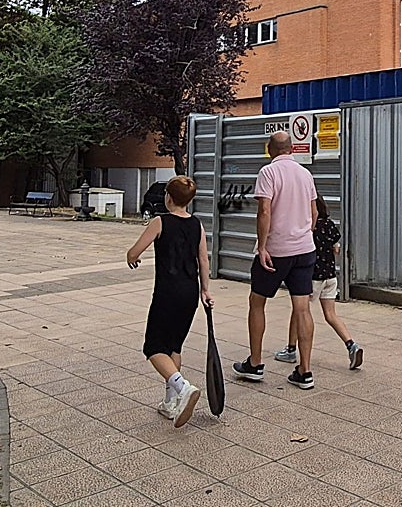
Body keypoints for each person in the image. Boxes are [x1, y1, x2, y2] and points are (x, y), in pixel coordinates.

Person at [232, 131, 319, 389]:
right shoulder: (306, 174)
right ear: (291, 149)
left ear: (271, 149)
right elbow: (314, 213)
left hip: (276, 250)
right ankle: (304, 371)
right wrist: (304, 234)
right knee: (302, 308)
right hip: (305, 250)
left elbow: (264, 210)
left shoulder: (268, 173)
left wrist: (263, 247)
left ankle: (255, 363)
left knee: (257, 302)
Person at [125, 175, 212, 428]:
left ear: (168, 198)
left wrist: (132, 257)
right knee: (174, 347)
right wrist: (205, 290)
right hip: (189, 293)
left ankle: (182, 387)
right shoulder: (197, 224)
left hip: (167, 293)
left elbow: (134, 251)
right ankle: (170, 403)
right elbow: (203, 260)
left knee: (153, 347)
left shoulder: (159, 222)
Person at [274, 192, 365, 370]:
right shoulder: (330, 226)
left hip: (313, 277)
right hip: (330, 277)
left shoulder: (308, 228)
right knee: (331, 315)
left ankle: (291, 350)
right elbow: (337, 249)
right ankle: (351, 345)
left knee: (299, 311)